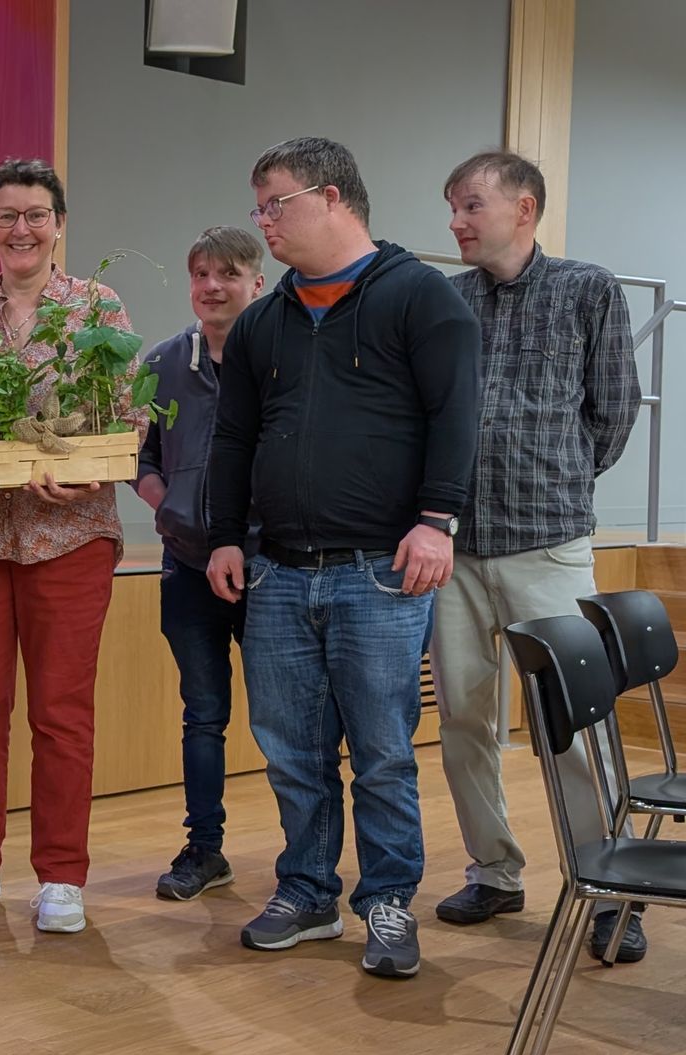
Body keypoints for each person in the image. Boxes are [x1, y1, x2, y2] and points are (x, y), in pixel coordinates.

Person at [205, 136, 480, 979]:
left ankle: (389, 899)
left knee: (383, 751)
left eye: (275, 204)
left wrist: (437, 520)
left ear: (332, 198)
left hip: (382, 572)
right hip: (279, 571)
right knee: (292, 750)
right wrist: (224, 533)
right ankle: (307, 891)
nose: (264, 222)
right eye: (259, 207)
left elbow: (457, 415)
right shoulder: (263, 321)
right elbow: (234, 437)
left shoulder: (420, 297)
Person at [0, 158, 139, 936]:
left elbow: (129, 418)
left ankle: (63, 876)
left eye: (36, 215)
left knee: (62, 713)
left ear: (59, 224)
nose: (22, 229)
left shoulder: (97, 308)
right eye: (7, 215)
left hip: (70, 538)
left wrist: (87, 472)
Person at [431, 150, 643, 959]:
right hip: (455, 552)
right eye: (452, 207)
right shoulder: (449, 300)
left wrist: (557, 476)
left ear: (523, 208)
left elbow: (613, 411)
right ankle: (494, 871)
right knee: (463, 721)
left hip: (547, 547)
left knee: (574, 725)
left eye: (471, 205)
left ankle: (611, 890)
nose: (456, 220)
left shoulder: (588, 288)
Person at [132, 225, 265, 902]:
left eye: (228, 274)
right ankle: (204, 849)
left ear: (257, 284)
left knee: (286, 720)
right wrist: (171, 506)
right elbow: (140, 457)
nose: (212, 287)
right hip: (186, 567)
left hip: (270, 570)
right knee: (203, 714)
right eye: (201, 275)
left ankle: (306, 858)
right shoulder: (161, 363)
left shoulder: (279, 360)